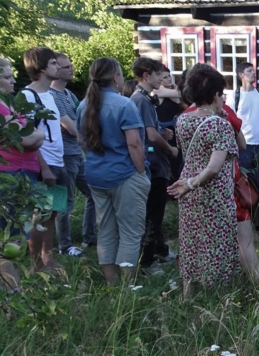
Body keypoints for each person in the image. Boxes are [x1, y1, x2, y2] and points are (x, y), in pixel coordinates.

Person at [167, 64, 241, 292]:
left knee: (192, 242)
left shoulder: (183, 120)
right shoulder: (221, 125)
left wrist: (188, 184)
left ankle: (189, 292)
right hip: (213, 193)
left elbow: (188, 152)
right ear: (215, 95)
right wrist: (191, 184)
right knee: (217, 243)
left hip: (187, 191)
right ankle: (216, 294)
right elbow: (214, 168)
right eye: (222, 94)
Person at [76, 57, 150, 284]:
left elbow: (82, 141)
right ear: (116, 77)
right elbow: (135, 144)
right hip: (125, 174)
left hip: (96, 174)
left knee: (106, 230)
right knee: (130, 231)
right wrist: (141, 173)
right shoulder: (123, 104)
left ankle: (111, 282)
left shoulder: (83, 105)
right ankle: (128, 284)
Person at [0, 56, 45, 291]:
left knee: (16, 233)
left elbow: (30, 135)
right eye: (6, 76)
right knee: (9, 236)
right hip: (7, 172)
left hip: (22, 170)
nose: (13, 80)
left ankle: (12, 286)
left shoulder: (7, 104)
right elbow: (26, 137)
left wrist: (34, 137)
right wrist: (35, 137)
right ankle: (11, 290)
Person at [130, 57, 179, 271]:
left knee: (156, 211)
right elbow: (149, 135)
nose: (161, 77)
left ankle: (160, 249)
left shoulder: (145, 98)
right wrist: (170, 149)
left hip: (155, 162)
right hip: (154, 164)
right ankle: (147, 261)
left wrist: (163, 133)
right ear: (146, 75)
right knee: (153, 213)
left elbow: (152, 130)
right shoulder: (141, 99)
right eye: (158, 73)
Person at [21, 46, 65, 272]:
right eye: (54, 63)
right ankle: (35, 264)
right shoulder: (29, 96)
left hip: (58, 162)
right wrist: (44, 167)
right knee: (39, 214)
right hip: (43, 165)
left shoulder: (50, 95)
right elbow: (27, 134)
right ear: (40, 67)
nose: (59, 67)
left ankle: (48, 258)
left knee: (53, 212)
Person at [48, 52, 91, 256]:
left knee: (92, 192)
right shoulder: (52, 97)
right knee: (62, 201)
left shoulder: (69, 94)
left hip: (76, 153)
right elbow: (72, 127)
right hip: (63, 155)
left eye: (70, 65)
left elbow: (79, 123)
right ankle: (64, 246)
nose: (71, 69)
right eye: (66, 67)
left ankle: (89, 237)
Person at [233, 61, 259, 172]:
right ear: (241, 75)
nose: (253, 73)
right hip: (245, 145)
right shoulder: (234, 96)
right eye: (249, 71)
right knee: (246, 180)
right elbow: (231, 121)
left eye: (253, 70)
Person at [154, 66, 184, 181]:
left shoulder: (171, 91)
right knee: (171, 161)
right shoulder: (158, 91)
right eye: (164, 77)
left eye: (169, 75)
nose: (168, 79)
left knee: (179, 159)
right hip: (166, 131)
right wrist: (176, 88)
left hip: (176, 131)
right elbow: (181, 94)